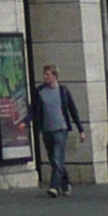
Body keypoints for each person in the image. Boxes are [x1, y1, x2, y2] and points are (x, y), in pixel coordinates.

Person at [30, 63, 84, 196]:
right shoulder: (40, 91)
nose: (45, 76)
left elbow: (72, 110)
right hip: (46, 129)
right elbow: (33, 109)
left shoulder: (63, 91)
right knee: (54, 159)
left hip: (61, 128)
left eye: (47, 74)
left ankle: (54, 186)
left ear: (54, 76)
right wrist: (25, 122)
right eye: (44, 74)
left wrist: (80, 129)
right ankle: (66, 183)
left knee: (56, 156)